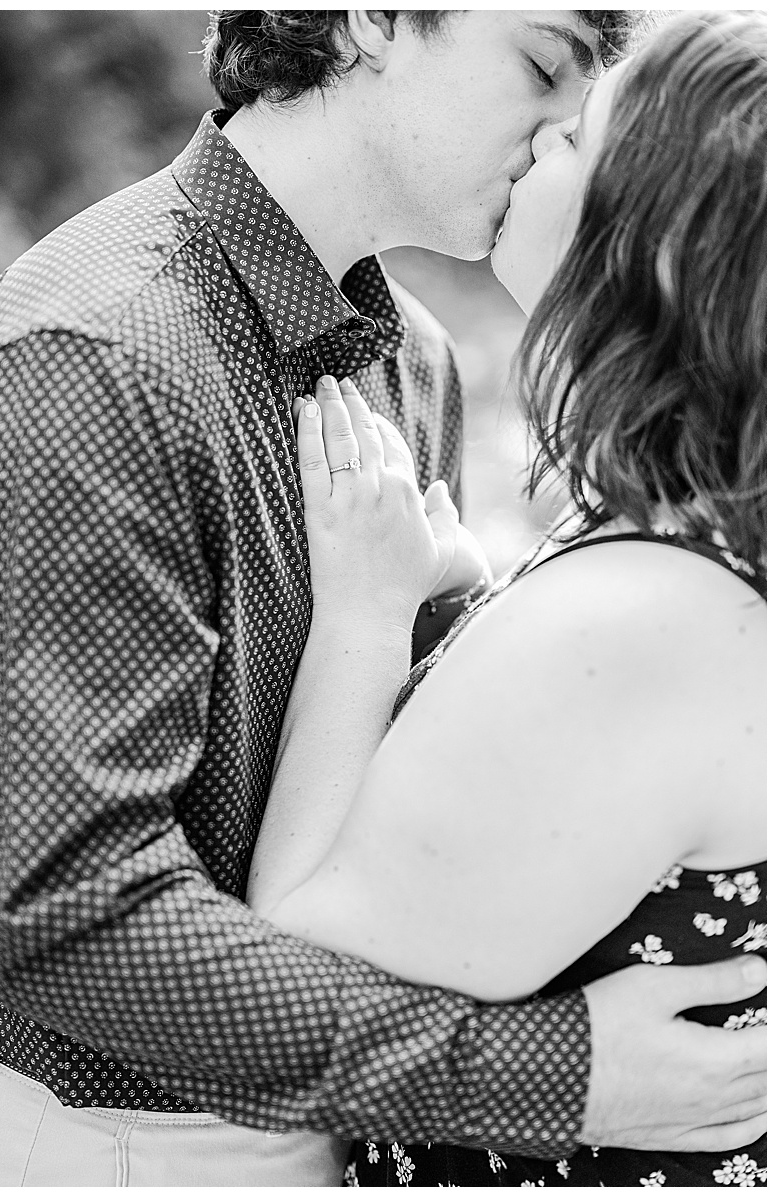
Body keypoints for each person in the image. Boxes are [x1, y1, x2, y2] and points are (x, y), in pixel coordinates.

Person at [0, 9, 765, 1186]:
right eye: (544, 65)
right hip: (147, 1147)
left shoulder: (418, 359)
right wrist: (551, 1072)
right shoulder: (99, 352)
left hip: (352, 1119)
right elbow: (68, 916)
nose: (566, 131)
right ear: (373, 21)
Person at [249, 11, 766, 1186]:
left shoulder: (641, 625)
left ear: (668, 244)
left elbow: (286, 968)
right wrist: (471, 599)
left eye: (574, 131)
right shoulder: (699, 552)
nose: (536, 140)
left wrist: (368, 616)